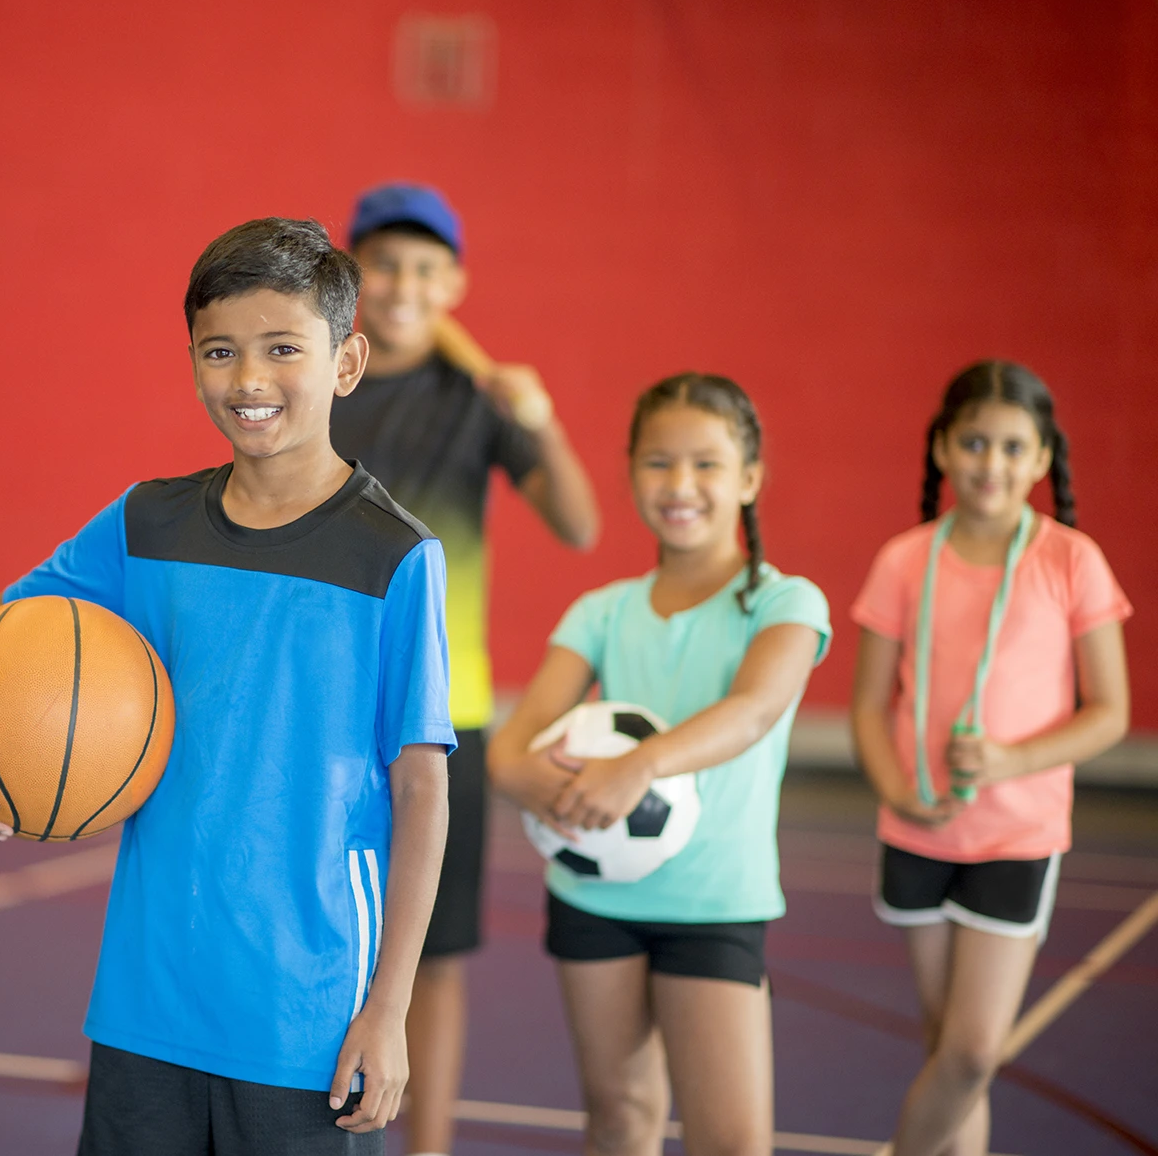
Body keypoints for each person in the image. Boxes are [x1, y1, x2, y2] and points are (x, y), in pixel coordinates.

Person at [0, 217, 454, 1155]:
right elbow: (2, 618)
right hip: (147, 997)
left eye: (283, 349)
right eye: (220, 351)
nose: (249, 380)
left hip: (304, 1015)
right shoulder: (146, 522)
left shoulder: (394, 555)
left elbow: (424, 791)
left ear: (347, 362)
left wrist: (388, 1009)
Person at [488, 373, 829, 1156]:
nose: (681, 485)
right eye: (659, 462)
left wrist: (638, 766)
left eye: (707, 464)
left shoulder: (786, 603)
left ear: (749, 478)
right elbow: (512, 745)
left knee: (731, 1141)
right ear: (633, 471)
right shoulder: (601, 611)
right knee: (619, 1117)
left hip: (714, 904)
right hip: (594, 895)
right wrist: (531, 777)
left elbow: (752, 711)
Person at [332, 182, 599, 1156]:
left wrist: (541, 416)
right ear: (353, 274)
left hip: (445, 716)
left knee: (431, 957)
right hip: (322, 711)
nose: (403, 286)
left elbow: (578, 524)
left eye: (425, 268)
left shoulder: (480, 401)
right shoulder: (323, 380)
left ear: (456, 283)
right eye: (385, 264)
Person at [849, 361, 1130, 1156]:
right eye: (974, 442)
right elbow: (869, 704)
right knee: (947, 1048)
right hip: (917, 833)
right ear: (942, 448)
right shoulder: (905, 559)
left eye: (1013, 447)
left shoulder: (1071, 559)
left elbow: (1111, 712)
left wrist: (1010, 760)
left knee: (972, 1052)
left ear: (1042, 459)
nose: (991, 463)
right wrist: (896, 787)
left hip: (1017, 835)